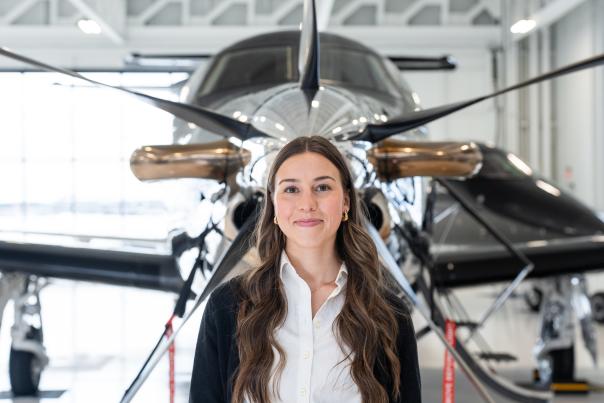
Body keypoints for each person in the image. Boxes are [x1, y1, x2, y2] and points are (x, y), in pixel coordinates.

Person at [189, 136, 421, 403]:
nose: (307, 203)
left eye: (322, 187)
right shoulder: (226, 306)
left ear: (346, 201)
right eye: (291, 189)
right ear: (273, 204)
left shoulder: (391, 315)